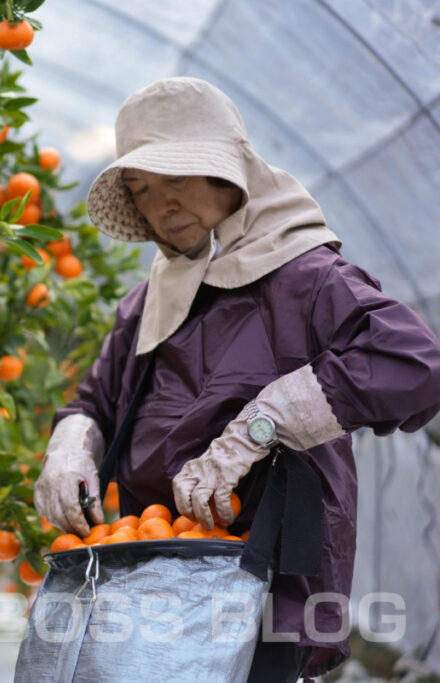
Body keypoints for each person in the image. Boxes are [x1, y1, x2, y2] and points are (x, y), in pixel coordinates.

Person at [34, 77, 440, 681]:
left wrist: (260, 426)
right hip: (153, 559)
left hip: (262, 568)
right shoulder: (149, 300)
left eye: (176, 178)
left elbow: (413, 363)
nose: (159, 204)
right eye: (141, 189)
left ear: (231, 175)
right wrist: (69, 447)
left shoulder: (305, 278)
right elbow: (96, 398)